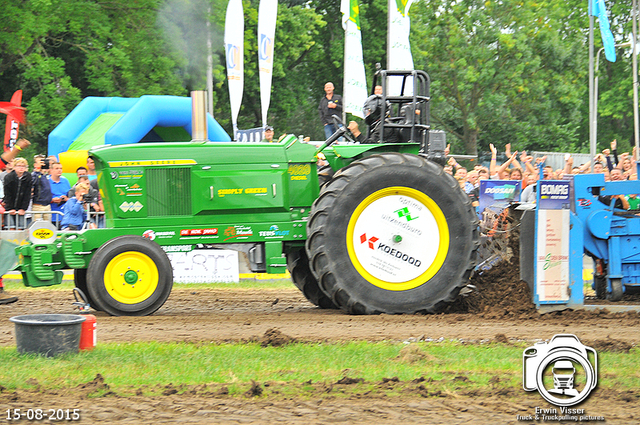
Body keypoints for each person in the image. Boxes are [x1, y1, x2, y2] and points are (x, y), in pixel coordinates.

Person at [2, 157, 32, 230]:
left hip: (21, 206)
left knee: (20, 227)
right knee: (11, 227)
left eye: (23, 166)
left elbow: (27, 194)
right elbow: (7, 194)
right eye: (19, 166)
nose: (21, 168)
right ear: (14, 167)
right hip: (10, 206)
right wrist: (10, 208)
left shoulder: (28, 177)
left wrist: (23, 208)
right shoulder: (8, 177)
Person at [48, 162, 71, 229]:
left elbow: (70, 195)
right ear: (51, 170)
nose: (59, 170)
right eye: (57, 168)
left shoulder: (65, 181)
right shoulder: (47, 181)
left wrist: (66, 198)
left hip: (64, 214)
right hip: (51, 213)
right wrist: (52, 200)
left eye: (60, 168)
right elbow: (42, 197)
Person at [31, 154, 52, 221]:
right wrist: (37, 171)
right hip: (38, 205)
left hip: (47, 205)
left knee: (47, 226)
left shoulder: (45, 176)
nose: (42, 164)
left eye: (43, 162)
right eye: (40, 162)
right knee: (37, 225)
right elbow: (32, 183)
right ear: (35, 164)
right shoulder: (34, 175)